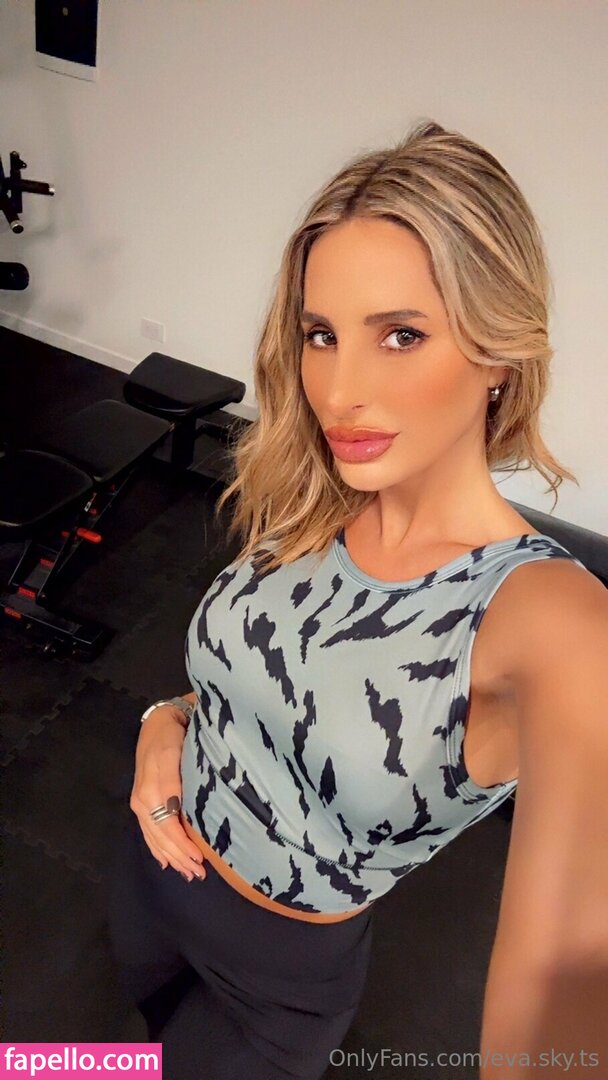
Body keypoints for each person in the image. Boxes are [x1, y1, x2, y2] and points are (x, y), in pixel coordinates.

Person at [107, 119, 608, 1080]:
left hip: (277, 977)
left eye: (401, 336)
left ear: (500, 352)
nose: (339, 391)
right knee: (94, 1061)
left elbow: (563, 1011)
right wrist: (163, 722)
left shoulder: (549, 620)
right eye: (321, 335)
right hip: (148, 870)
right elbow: (256, 685)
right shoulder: (313, 497)